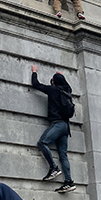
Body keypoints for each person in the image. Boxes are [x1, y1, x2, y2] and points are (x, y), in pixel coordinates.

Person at [31, 65, 76, 193]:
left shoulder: (53, 90)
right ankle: (68, 181)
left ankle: (53, 168)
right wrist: (61, 75)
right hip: (65, 127)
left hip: (57, 124)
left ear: (53, 82)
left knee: (42, 142)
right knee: (63, 154)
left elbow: (36, 85)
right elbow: (66, 84)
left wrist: (34, 72)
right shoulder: (67, 91)